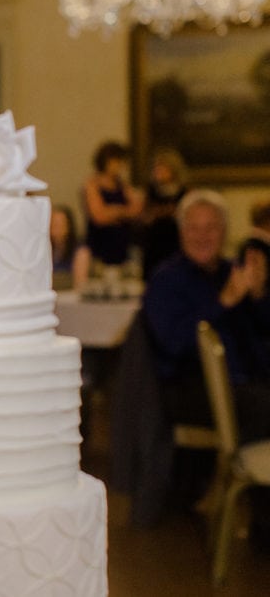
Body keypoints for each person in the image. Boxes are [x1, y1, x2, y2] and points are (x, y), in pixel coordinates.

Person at [143, 190, 270, 519]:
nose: (203, 236)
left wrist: (257, 298)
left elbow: (261, 343)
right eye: (194, 228)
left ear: (225, 232)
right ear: (182, 232)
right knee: (263, 406)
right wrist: (223, 303)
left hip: (243, 384)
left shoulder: (235, 272)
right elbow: (174, 343)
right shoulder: (166, 279)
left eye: (211, 227)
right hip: (187, 388)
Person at [82, 140, 143, 267]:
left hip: (122, 246)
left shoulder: (122, 185)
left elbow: (136, 211)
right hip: (100, 245)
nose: (119, 165)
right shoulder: (92, 184)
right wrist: (122, 212)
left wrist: (113, 210)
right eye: (115, 161)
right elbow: (99, 217)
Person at [141, 147, 188, 280]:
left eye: (162, 168)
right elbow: (146, 216)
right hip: (154, 245)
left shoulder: (184, 192)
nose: (158, 172)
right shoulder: (151, 192)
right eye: (156, 168)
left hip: (175, 243)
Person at [50, 204, 91, 291]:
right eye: (53, 224)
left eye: (59, 225)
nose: (55, 229)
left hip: (69, 298)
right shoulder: (44, 249)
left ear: (68, 226)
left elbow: (80, 284)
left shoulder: (80, 251)